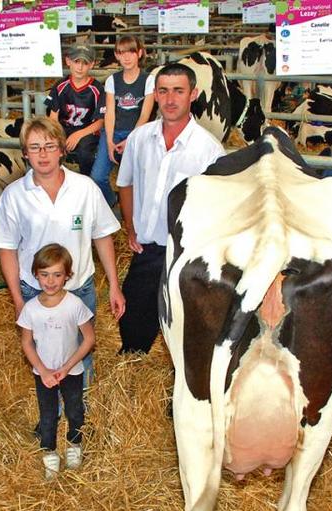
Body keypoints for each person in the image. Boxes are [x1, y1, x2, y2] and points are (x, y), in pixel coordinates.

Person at [0, 116, 125, 389]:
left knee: (80, 349)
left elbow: (102, 236)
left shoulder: (85, 188)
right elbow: (7, 249)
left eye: (50, 146)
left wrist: (114, 286)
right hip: (35, 292)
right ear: (25, 154)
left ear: (62, 149)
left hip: (78, 288)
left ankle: (80, 400)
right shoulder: (14, 195)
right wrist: (18, 299)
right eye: (35, 147)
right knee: (43, 352)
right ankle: (52, 402)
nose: (43, 154)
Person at [117, 62, 225, 354]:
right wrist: (130, 228)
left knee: (185, 323)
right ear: (155, 94)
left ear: (193, 94)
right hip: (148, 247)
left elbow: (217, 207)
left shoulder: (209, 150)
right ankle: (134, 358)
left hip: (187, 253)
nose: (170, 99)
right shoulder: (140, 139)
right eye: (163, 91)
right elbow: (125, 183)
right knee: (134, 314)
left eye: (178, 91)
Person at [17, 243, 94, 479]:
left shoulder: (74, 304)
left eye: (57, 275)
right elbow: (26, 343)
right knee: (47, 414)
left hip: (71, 370)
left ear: (68, 276)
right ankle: (49, 453)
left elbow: (89, 338)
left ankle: (74, 444)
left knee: (75, 409)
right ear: (36, 275)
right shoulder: (30, 309)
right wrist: (43, 370)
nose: (50, 281)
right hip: (45, 374)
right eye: (45, 275)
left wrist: (67, 367)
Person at [90, 35, 155, 207]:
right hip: (114, 131)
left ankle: (137, 211)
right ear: (116, 55)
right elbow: (109, 112)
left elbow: (145, 115)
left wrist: (131, 140)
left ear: (139, 53)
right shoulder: (112, 80)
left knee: (136, 177)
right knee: (97, 176)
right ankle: (112, 201)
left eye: (131, 52)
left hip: (138, 132)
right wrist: (110, 141)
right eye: (121, 53)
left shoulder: (148, 80)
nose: (126, 57)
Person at [46, 45, 105, 177]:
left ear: (92, 64)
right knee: (49, 147)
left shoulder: (97, 89)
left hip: (87, 131)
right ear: (68, 61)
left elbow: (100, 121)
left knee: (85, 153)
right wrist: (58, 136)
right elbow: (53, 118)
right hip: (63, 129)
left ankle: (87, 181)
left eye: (85, 63)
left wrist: (78, 135)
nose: (80, 67)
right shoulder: (60, 86)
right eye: (76, 61)